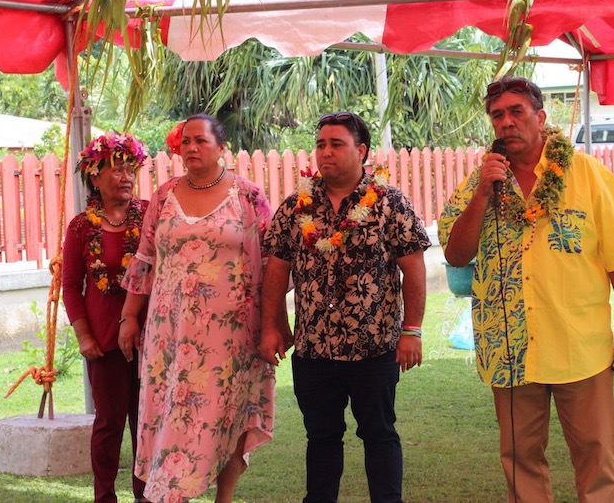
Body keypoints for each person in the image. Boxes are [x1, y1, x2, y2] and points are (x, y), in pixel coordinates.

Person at [437, 76, 614, 503]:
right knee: (520, 460)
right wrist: (482, 194)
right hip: (508, 345)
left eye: (517, 112)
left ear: (541, 117)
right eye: (498, 115)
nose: (507, 123)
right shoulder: (481, 180)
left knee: (595, 456)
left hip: (579, 345)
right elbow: (457, 254)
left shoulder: (587, 174)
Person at [259, 111, 431, 503]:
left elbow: (413, 268)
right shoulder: (296, 207)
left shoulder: (389, 203)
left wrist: (413, 330)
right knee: (320, 437)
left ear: (362, 150)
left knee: (380, 433)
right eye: (321, 144)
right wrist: (272, 325)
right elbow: (276, 270)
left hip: (374, 347)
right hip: (314, 348)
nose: (326, 152)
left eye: (337, 144)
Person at [118, 114, 275, 503]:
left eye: (200, 141)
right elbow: (145, 261)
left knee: (228, 414)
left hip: (232, 333)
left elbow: (274, 264)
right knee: (173, 413)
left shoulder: (249, 196)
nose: (191, 148)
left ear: (222, 147)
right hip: (169, 334)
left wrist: (274, 324)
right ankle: (170, 493)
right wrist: (128, 317)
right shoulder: (164, 196)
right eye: (185, 141)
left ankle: (224, 497)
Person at [62, 132, 149, 503]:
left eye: (131, 169)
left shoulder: (150, 216)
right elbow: (70, 287)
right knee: (109, 424)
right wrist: (84, 337)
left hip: (150, 339)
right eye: (116, 170)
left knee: (146, 424)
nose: (126, 176)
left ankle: (147, 495)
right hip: (104, 343)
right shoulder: (81, 227)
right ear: (94, 177)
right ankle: (105, 496)